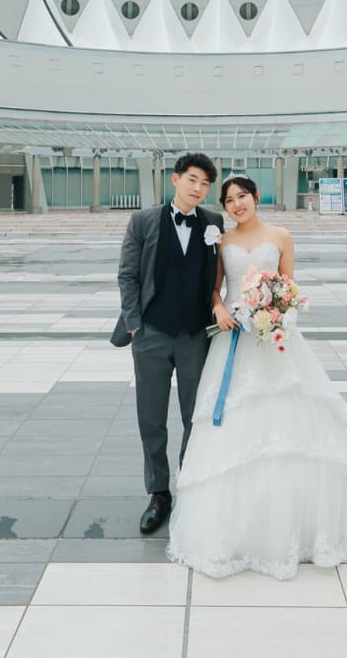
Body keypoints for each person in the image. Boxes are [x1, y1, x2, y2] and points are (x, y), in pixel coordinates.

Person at [167, 175, 347, 579]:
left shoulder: (282, 235)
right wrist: (221, 310)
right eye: (229, 200)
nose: (237, 204)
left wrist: (279, 315)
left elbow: (290, 286)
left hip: (277, 340)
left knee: (294, 423)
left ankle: (302, 525)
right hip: (236, 341)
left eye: (242, 197)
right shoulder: (222, 242)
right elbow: (216, 290)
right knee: (236, 423)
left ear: (256, 198)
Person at [112, 153, 224, 535]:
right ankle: (159, 493)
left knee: (196, 417)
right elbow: (128, 275)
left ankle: (190, 485)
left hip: (195, 335)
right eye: (192, 179)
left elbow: (216, 278)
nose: (198, 188)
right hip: (151, 334)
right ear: (175, 179)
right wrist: (134, 326)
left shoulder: (214, 222)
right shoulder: (143, 221)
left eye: (205, 184)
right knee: (151, 418)